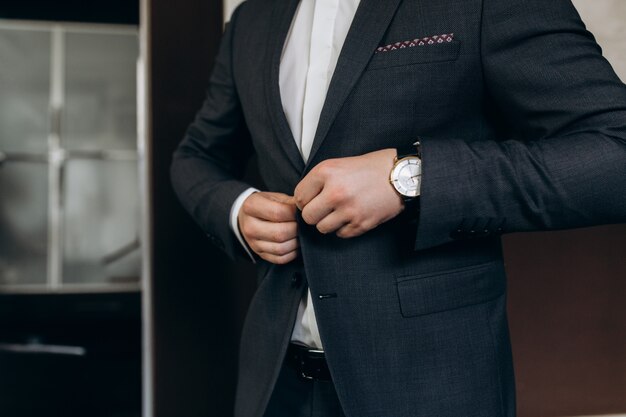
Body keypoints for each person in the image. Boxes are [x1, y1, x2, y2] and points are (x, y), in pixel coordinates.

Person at [170, 0, 626, 415]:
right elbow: (197, 156)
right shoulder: (253, 17)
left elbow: (615, 156)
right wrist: (236, 210)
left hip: (427, 383)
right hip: (273, 384)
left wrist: (411, 179)